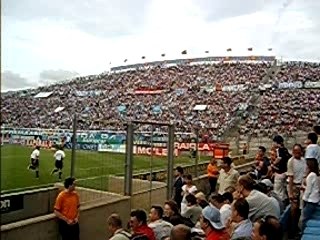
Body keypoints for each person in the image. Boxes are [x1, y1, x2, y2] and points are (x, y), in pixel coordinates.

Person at [286, 143, 305, 238]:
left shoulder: (304, 161)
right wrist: (290, 192)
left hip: (301, 187)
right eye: (295, 152)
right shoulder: (291, 161)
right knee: (293, 210)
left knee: (299, 210)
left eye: (298, 152)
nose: (297, 154)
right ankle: (292, 231)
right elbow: (290, 178)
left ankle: (296, 229)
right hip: (294, 186)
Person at [271, 135, 291, 205]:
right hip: (285, 172)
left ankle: (280, 205)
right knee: (283, 191)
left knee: (278, 191)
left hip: (280, 173)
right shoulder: (285, 149)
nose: (273, 144)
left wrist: (273, 164)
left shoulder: (279, 150)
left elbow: (279, 158)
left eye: (274, 142)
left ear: (276, 142)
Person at [301, 158, 320, 231]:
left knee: (305, 219)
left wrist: (304, 199)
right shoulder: (315, 175)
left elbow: (308, 190)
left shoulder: (311, 175)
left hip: (310, 201)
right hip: (315, 200)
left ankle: (303, 232)